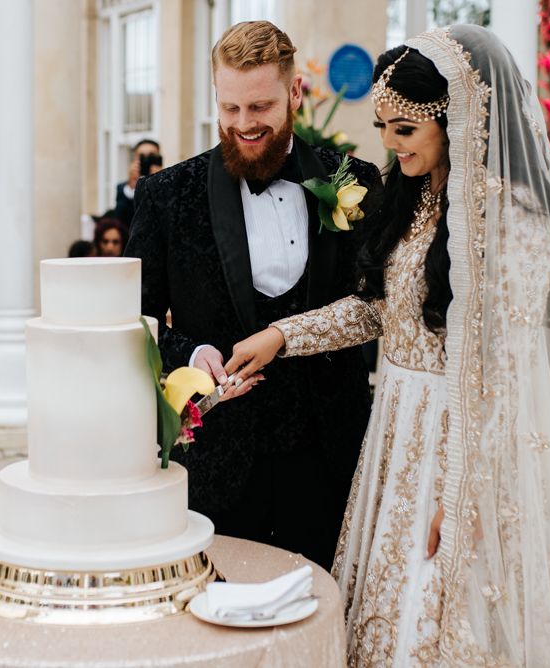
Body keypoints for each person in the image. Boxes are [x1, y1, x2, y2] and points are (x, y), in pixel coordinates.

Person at [226, 25, 550, 665]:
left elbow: (507, 375)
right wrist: (281, 336)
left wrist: (460, 491)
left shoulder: (514, 223)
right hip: (395, 428)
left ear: (458, 121)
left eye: (403, 130)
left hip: (459, 437)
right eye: (382, 126)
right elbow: (379, 312)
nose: (386, 145)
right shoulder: (415, 205)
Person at [126, 21, 382, 569]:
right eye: (230, 109)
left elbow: (378, 305)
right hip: (218, 462)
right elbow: (133, 321)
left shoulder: (357, 182)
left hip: (331, 456)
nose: (244, 125)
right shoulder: (166, 196)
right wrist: (191, 356)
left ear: (294, 94)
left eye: (260, 107)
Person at [113, 139, 163, 227]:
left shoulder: (170, 185)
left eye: (151, 157)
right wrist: (132, 185)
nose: (146, 161)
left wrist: (161, 181)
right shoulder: (123, 189)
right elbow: (120, 220)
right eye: (142, 156)